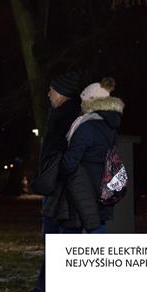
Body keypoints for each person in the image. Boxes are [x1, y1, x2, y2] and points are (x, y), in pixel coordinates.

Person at [25, 72, 81, 292]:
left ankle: (52, 290)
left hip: (64, 192)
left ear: (63, 93)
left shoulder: (70, 119)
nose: (49, 94)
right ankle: (46, 288)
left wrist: (54, 174)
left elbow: (68, 157)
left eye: (52, 90)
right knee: (54, 241)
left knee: (61, 241)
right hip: (56, 190)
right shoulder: (58, 115)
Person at [59, 77, 125, 233]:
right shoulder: (110, 125)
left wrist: (58, 167)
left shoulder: (87, 126)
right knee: (98, 229)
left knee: (71, 234)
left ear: (90, 102)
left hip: (83, 189)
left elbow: (70, 162)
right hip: (103, 187)